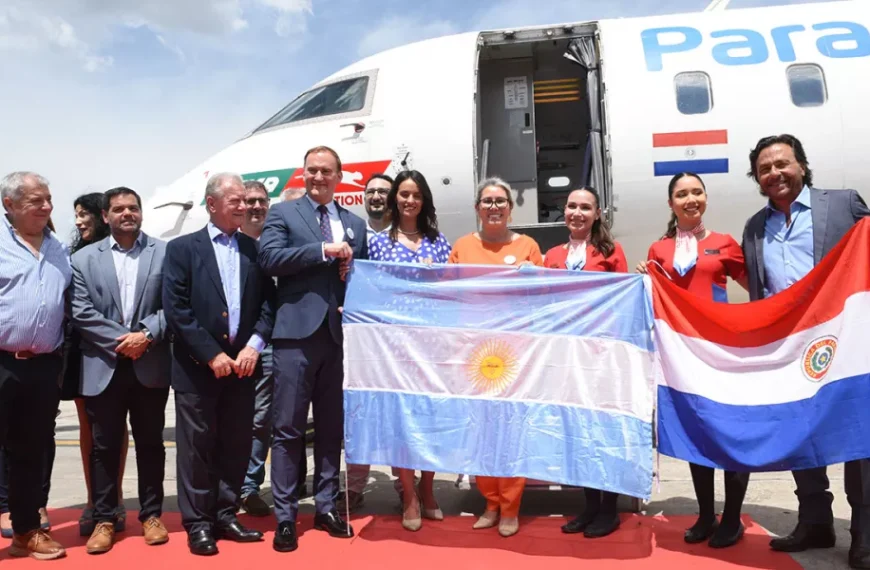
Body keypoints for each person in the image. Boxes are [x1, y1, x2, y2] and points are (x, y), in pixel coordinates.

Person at [741, 134, 870, 568]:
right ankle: (815, 520)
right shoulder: (755, 227)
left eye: (782, 163)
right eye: (764, 168)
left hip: (847, 341)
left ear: (801, 165)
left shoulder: (844, 204)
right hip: (793, 348)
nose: (774, 173)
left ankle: (865, 531)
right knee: (801, 434)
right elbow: (761, 293)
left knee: (859, 434)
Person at [260, 145, 368, 552]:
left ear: (340, 176)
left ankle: (326, 507)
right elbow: (269, 258)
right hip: (294, 338)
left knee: (330, 430)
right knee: (287, 429)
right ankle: (285, 516)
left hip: (337, 339)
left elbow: (364, 279)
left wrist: (350, 267)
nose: (318, 177)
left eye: (326, 171)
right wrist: (323, 251)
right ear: (303, 174)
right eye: (312, 171)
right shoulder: (284, 213)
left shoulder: (355, 223)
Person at [163, 172, 275, 556]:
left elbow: (267, 305)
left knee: (236, 445)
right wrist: (211, 354)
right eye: (237, 201)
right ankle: (198, 524)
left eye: (246, 200)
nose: (246, 207)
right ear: (212, 204)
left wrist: (254, 346)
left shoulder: (254, 250)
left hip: (243, 369)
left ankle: (225, 514)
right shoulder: (182, 250)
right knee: (196, 449)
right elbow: (176, 308)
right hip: (198, 369)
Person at [637, 172, 749, 548]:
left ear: (705, 197)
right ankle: (705, 515)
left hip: (722, 352)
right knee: (697, 433)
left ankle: (732, 518)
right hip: (684, 357)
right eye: (682, 194)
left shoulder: (725, 244)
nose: (690, 199)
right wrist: (643, 280)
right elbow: (653, 299)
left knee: (731, 433)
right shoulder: (659, 250)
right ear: (671, 203)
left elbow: (757, 287)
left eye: (697, 192)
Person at [71, 187, 171, 553]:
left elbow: (174, 304)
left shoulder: (164, 252)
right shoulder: (83, 259)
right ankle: (104, 517)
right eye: (118, 209)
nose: (127, 213)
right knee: (103, 446)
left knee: (150, 444)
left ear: (141, 213)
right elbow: (81, 312)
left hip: (150, 364)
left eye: (133, 208)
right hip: (104, 364)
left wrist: (145, 335)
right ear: (106, 216)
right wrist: (125, 340)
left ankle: (151, 515)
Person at [447, 177, 543, 537]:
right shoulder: (462, 246)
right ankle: (489, 501)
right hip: (473, 355)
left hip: (514, 354)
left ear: (510, 208)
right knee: (482, 429)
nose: (494, 207)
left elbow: (544, 296)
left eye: (500, 201)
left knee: (511, 428)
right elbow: (447, 293)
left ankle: (511, 506)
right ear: (477, 208)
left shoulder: (529, 246)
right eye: (487, 201)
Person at [368, 170, 451, 531]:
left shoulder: (440, 241)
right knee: (401, 419)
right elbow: (371, 289)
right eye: (403, 194)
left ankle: (428, 487)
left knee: (431, 418)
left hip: (433, 343)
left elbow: (454, 290)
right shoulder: (378, 243)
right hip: (396, 345)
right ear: (394, 198)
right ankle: (408, 493)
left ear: (424, 200)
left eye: (416, 194)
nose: (409, 200)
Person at [543, 187, 627, 538]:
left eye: (585, 207)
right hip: (566, 355)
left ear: (597, 214)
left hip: (601, 355)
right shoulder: (552, 255)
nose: (577, 212)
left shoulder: (610, 251)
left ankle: (610, 509)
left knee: (603, 431)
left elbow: (624, 302)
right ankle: (589, 505)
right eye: (572, 206)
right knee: (578, 433)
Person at [0, 171, 70, 560]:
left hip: (43, 367)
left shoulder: (58, 248)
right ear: (9, 206)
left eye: (48, 199)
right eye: (35, 201)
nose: (47, 207)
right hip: (2, 361)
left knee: (31, 453)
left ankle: (26, 531)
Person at [239, 180, 308, 516]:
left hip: (282, 341)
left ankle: (269, 484)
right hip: (243, 345)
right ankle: (240, 486)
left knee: (278, 417)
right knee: (249, 418)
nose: (256, 207)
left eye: (261, 201)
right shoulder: (235, 245)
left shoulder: (280, 241)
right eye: (249, 201)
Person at [65, 192, 129, 536]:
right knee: (89, 427)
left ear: (100, 215)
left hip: (129, 348)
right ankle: (94, 500)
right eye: (75, 215)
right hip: (84, 348)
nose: (78, 222)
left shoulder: (124, 252)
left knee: (117, 429)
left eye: (83, 214)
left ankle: (115, 497)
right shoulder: (75, 255)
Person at [341, 172, 402, 514]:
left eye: (383, 191)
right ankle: (353, 487)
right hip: (360, 339)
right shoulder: (351, 232)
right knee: (358, 413)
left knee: (397, 412)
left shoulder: (406, 238)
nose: (377, 196)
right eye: (371, 191)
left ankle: (403, 485)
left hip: (398, 339)